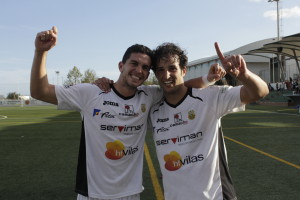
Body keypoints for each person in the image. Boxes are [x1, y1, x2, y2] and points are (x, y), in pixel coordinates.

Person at [30, 26, 225, 200]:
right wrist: (41, 53)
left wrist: (208, 79)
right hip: (93, 193)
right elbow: (40, 91)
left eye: (145, 68)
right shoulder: (90, 93)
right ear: (121, 66)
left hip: (131, 193)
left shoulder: (148, 96)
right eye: (134, 64)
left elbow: (177, 85)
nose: (139, 70)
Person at [149, 42, 269, 200]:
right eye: (160, 70)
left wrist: (243, 75)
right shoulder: (154, 109)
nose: (166, 75)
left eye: (172, 68)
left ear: (184, 71)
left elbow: (260, 92)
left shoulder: (210, 97)